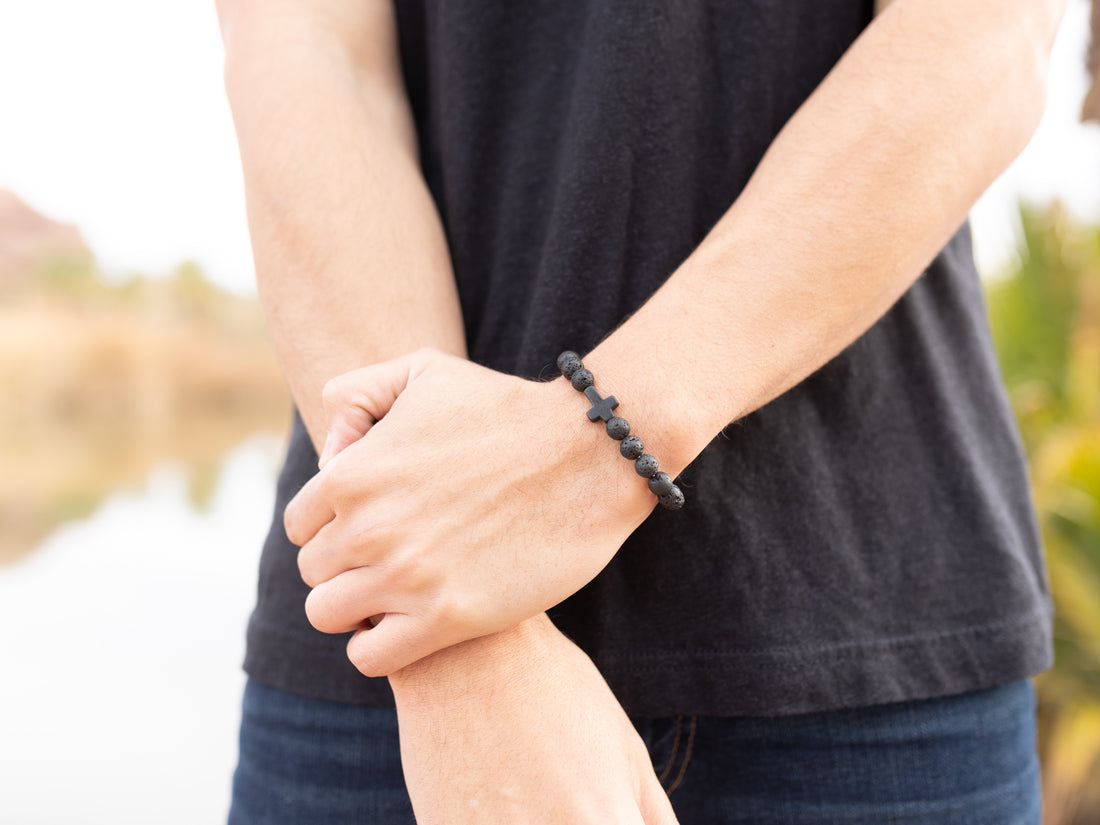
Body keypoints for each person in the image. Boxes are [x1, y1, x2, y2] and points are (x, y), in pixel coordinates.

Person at [216, 0, 1063, 822]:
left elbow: (982, 27)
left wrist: (591, 452)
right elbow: (306, 51)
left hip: (868, 667)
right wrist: (452, 640)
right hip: (396, 698)